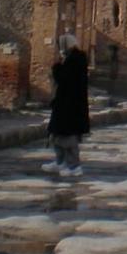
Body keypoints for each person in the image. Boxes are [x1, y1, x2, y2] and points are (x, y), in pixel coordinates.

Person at [43, 33, 90, 177]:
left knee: (69, 138)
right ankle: (60, 162)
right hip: (64, 104)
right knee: (57, 136)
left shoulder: (74, 61)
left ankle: (74, 166)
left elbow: (64, 79)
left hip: (70, 107)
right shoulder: (73, 60)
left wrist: (57, 67)